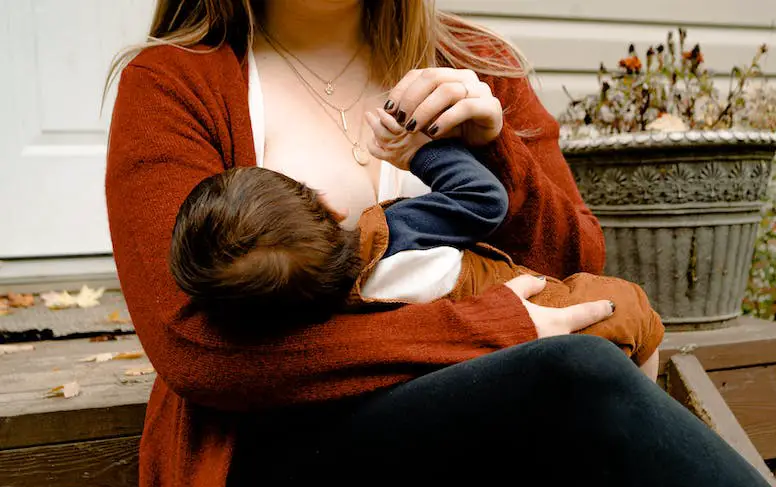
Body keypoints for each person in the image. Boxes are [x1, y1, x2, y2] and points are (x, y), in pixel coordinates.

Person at [14, 1, 776, 487]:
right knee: (568, 377)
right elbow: (197, 348)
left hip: (473, 463)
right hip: (279, 479)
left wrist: (493, 143)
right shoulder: (176, 82)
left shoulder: (477, 62)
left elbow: (574, 265)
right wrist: (494, 330)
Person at [168, 117, 663, 376]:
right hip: (540, 306)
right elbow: (483, 201)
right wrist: (423, 152)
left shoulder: (319, 319)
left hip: (485, 369)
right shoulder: (393, 231)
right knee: (636, 314)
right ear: (329, 208)